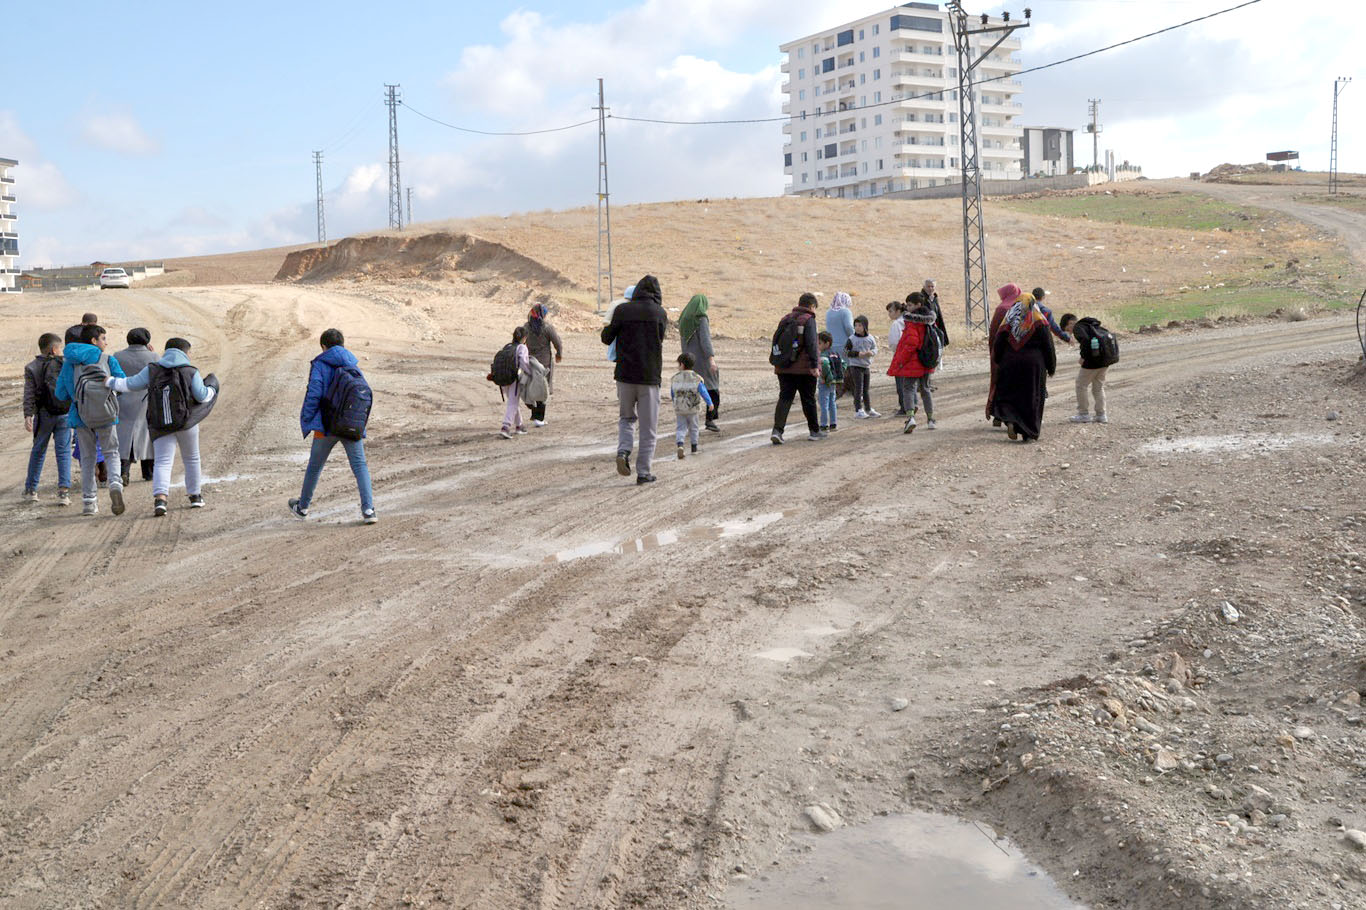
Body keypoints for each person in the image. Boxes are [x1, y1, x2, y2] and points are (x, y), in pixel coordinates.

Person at [108, 337, 216, 516]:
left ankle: (160, 499)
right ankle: (195, 496)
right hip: (186, 422)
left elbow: (130, 384)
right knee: (192, 459)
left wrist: (109, 382)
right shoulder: (190, 371)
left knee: (163, 462)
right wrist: (212, 388)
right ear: (185, 352)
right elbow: (202, 395)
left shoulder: (152, 369)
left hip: (160, 423)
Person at [288, 328, 377, 524]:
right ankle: (369, 510)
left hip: (326, 426)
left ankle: (302, 507)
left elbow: (314, 393)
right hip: (350, 425)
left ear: (323, 346)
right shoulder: (353, 364)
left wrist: (309, 419)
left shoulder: (320, 363)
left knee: (315, 466)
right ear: (343, 344)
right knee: (360, 465)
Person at [601, 275, 667, 485]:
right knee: (648, 428)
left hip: (625, 376)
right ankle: (644, 472)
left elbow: (606, 338)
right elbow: (660, 337)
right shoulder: (660, 313)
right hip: (649, 377)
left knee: (627, 419)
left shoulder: (622, 310)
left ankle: (623, 451)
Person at [55, 324, 126, 516]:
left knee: (87, 459)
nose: (106, 342)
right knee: (111, 452)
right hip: (106, 414)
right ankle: (114, 483)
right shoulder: (107, 359)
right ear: (94, 341)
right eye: (103, 338)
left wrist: (78, 398)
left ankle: (89, 503)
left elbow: (60, 393)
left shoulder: (69, 363)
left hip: (80, 416)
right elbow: (121, 383)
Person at [990, 294, 1056, 442]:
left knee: (1012, 393)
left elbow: (998, 342)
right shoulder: (1039, 320)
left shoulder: (1009, 319)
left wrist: (999, 361)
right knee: (1031, 397)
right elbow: (1048, 346)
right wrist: (1051, 366)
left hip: (1010, 362)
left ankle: (1012, 420)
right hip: (1033, 365)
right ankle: (1028, 432)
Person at [22, 333, 72, 505]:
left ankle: (31, 490)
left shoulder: (32, 367)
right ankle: (64, 492)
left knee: (38, 451)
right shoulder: (65, 364)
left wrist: (28, 414)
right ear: (54, 349)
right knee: (63, 452)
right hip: (64, 414)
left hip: (43, 415)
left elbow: (29, 394)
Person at [770, 292, 824, 445]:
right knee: (808, 399)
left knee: (785, 398)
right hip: (804, 369)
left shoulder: (786, 318)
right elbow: (812, 344)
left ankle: (777, 431)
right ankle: (814, 431)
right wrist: (815, 366)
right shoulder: (809, 320)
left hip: (784, 367)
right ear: (811, 306)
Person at [888, 297, 940, 433]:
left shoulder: (912, 323)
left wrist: (901, 360)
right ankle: (930, 419)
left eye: (910, 305)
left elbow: (912, 343)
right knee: (926, 389)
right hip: (928, 362)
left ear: (918, 305)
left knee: (908, 389)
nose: (907, 307)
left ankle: (910, 417)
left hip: (913, 362)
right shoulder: (931, 321)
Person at [112, 327, 157, 486]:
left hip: (123, 401)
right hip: (145, 402)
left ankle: (124, 471)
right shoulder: (153, 357)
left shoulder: (117, 356)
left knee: (124, 438)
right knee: (147, 437)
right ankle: (149, 472)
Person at [1061, 313, 1114, 424]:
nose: (1070, 333)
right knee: (1098, 387)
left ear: (1070, 323)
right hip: (1105, 360)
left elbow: (1085, 341)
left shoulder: (1078, 327)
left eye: (1067, 329)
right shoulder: (1093, 326)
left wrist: (1083, 357)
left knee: (1081, 384)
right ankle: (1101, 415)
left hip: (1093, 361)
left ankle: (1083, 414)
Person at [679, 294, 721, 433]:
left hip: (688, 362)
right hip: (702, 361)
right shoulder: (701, 319)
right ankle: (710, 419)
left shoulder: (683, 320)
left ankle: (688, 424)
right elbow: (705, 341)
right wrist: (711, 360)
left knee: (690, 392)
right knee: (712, 389)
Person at [986, 283, 1024, 426]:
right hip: (1018, 352)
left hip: (1002, 352)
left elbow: (994, 333)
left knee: (999, 382)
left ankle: (999, 414)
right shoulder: (1023, 307)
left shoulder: (1002, 309)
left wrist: (994, 352)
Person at [522, 303, 563, 427]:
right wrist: (559, 354)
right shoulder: (547, 328)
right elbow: (558, 342)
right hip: (544, 364)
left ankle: (534, 414)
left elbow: (521, 342)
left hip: (530, 362)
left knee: (532, 387)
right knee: (543, 389)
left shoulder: (526, 327)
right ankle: (539, 419)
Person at [669, 352, 713, 459]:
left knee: (680, 428)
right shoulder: (696, 378)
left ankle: (680, 445)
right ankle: (694, 448)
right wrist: (710, 403)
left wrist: (675, 402)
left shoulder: (675, 378)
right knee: (694, 428)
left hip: (680, 408)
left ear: (682, 365)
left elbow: (672, 393)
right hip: (693, 409)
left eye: (678, 364)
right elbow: (703, 392)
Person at [498, 326, 531, 439]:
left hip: (502, 379)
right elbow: (523, 362)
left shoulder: (507, 346)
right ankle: (505, 427)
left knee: (513, 401)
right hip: (513, 379)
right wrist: (530, 373)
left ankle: (519, 425)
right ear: (524, 338)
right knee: (513, 403)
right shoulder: (522, 348)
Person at [846, 315, 879, 418]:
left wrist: (871, 353)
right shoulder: (851, 339)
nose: (857, 327)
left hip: (866, 366)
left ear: (865, 326)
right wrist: (857, 354)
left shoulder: (870, 338)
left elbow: (875, 348)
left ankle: (868, 409)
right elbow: (846, 351)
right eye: (855, 325)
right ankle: (858, 410)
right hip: (855, 366)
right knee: (858, 388)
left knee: (866, 389)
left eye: (860, 325)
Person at [886, 301, 908, 415]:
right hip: (909, 355)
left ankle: (904, 407)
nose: (889, 314)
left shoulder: (896, 324)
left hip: (900, 355)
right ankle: (911, 405)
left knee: (900, 383)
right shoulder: (908, 321)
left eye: (891, 311)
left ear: (898, 311)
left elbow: (894, 342)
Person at [825, 291, 855, 376]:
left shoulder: (828, 312)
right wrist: (854, 338)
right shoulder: (845, 311)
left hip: (830, 347)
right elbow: (849, 327)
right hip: (844, 346)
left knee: (835, 371)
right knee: (846, 371)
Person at [816, 331, 840, 433]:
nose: (818, 345)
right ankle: (833, 424)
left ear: (827, 343)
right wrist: (837, 377)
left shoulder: (823, 355)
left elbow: (824, 365)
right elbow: (843, 364)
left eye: (820, 343)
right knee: (832, 403)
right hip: (833, 382)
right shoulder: (835, 353)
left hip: (824, 382)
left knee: (824, 404)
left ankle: (824, 425)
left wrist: (826, 377)